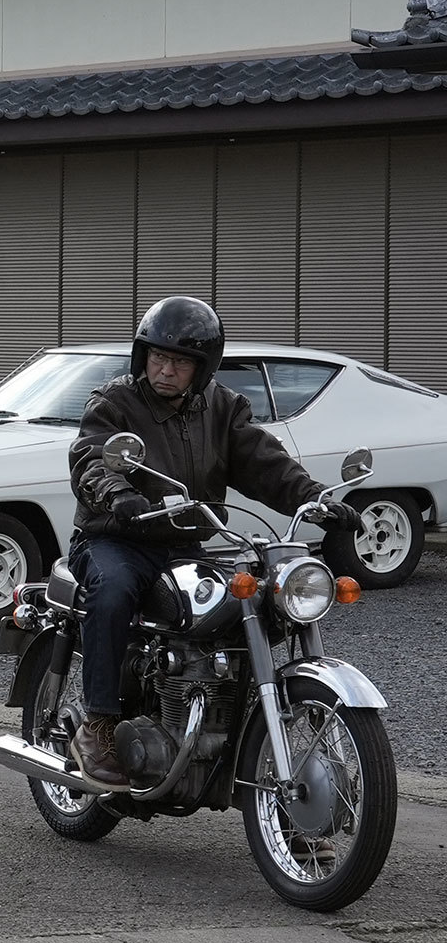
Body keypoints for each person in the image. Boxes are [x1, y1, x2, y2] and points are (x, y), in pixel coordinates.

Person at [64, 296, 361, 788]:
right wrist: (119, 495)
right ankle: (98, 722)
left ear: (203, 369)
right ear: (142, 357)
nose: (165, 370)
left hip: (189, 544)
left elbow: (266, 463)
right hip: (116, 539)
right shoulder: (114, 402)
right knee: (113, 590)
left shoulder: (223, 408)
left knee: (256, 604)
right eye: (157, 358)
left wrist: (316, 500)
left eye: (179, 362)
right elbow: (91, 457)